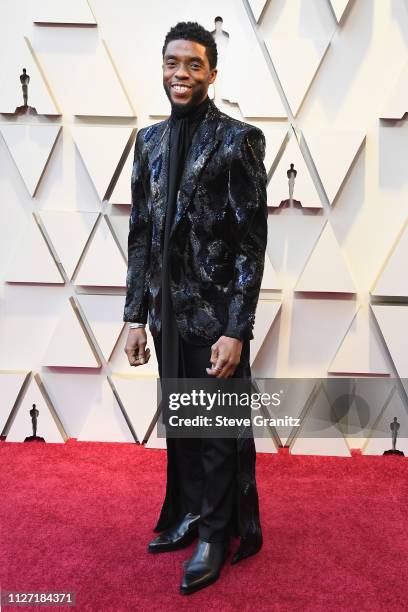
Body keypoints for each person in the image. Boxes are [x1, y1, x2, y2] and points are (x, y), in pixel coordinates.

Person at [123, 21, 268, 595]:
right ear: (162, 67)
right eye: (171, 63)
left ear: (212, 72)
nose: (180, 74)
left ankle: (215, 532)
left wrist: (237, 329)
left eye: (193, 65)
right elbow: (140, 233)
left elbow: (251, 247)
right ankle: (186, 513)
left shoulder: (239, 140)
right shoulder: (149, 143)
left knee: (213, 429)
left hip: (215, 321)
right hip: (166, 316)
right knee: (182, 425)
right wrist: (135, 315)